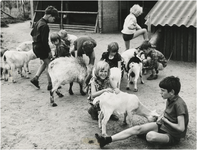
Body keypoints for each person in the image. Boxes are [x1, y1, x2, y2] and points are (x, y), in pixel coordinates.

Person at [95, 76, 189, 148]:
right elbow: (167, 113)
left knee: (150, 135)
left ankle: (157, 139)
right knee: (137, 128)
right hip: (163, 125)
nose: (160, 93)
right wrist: (162, 117)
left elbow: (181, 128)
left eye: (163, 91)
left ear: (172, 92)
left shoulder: (179, 104)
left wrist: (166, 120)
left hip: (172, 135)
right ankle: (107, 140)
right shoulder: (169, 99)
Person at [30, 6, 58, 90]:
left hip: (35, 46)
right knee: (50, 65)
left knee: (45, 63)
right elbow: (44, 41)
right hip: (41, 47)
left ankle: (35, 78)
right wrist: (49, 51)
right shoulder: (45, 26)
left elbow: (32, 33)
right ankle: (50, 84)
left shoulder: (38, 22)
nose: (54, 20)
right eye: (54, 18)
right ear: (49, 16)